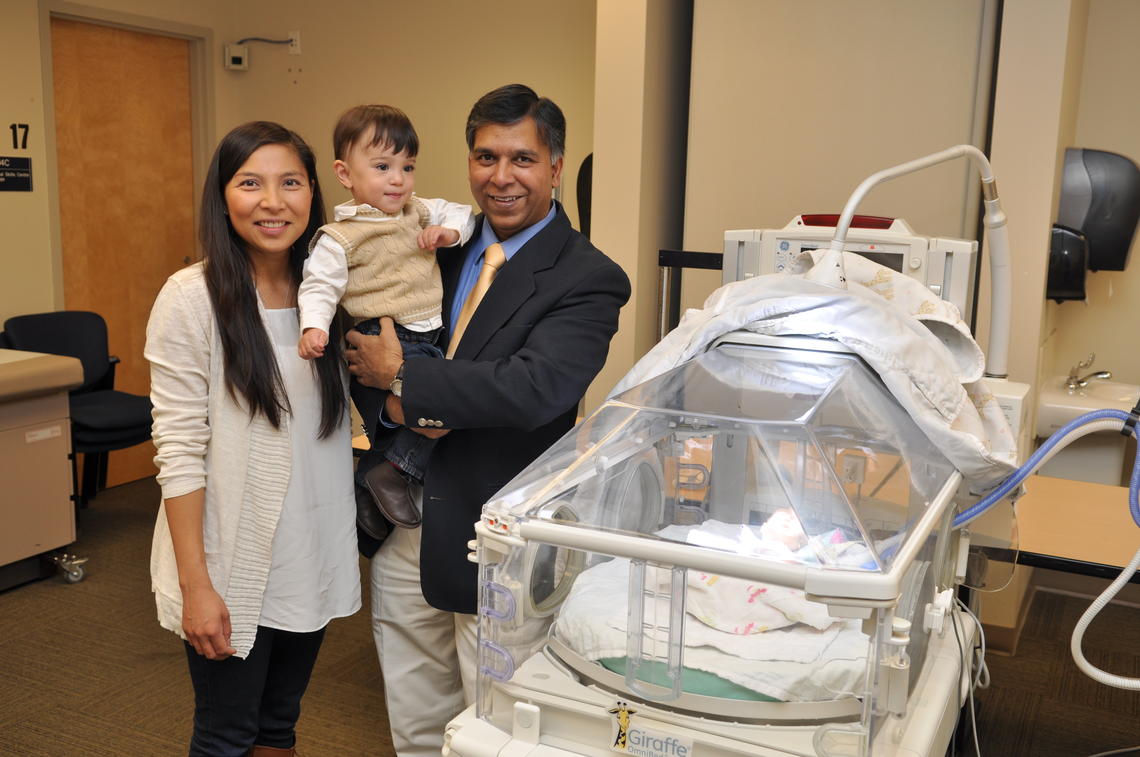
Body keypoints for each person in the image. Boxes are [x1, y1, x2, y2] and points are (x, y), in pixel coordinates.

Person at [345, 83, 631, 756]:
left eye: (522, 159)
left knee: (498, 728)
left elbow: (533, 389)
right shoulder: (430, 246)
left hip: (496, 538)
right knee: (415, 719)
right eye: (484, 157)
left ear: (556, 167)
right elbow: (360, 344)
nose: (500, 177)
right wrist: (393, 393)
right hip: (402, 524)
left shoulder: (588, 276)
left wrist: (405, 381)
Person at [146, 121, 359, 757]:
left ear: (313, 192)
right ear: (223, 195)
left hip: (311, 553)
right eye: (250, 184)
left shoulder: (335, 292)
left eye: (290, 182)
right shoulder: (191, 298)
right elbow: (178, 453)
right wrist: (198, 586)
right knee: (227, 734)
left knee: (279, 726)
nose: (273, 202)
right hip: (229, 560)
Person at [297, 105, 475, 536]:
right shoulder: (341, 236)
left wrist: (449, 234)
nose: (398, 179)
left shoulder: (417, 210)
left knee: (443, 407)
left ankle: (370, 481)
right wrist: (314, 326)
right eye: (382, 166)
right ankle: (393, 470)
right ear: (345, 173)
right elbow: (319, 286)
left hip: (428, 329)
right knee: (438, 412)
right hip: (385, 330)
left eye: (407, 166)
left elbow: (463, 212)